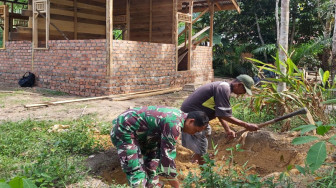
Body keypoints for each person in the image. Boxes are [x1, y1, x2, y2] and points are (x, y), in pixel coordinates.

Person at [110, 106, 209, 188]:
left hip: (145, 132)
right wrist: (176, 186)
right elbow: (168, 162)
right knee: (134, 167)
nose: (194, 133)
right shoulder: (173, 124)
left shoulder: (180, 116)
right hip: (124, 128)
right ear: (191, 121)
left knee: (154, 159)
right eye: (195, 130)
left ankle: (152, 185)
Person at [181, 74, 260, 165]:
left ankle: (197, 157)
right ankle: (203, 165)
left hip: (194, 113)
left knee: (205, 131)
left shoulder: (223, 87)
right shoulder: (223, 88)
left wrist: (227, 129)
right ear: (239, 84)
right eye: (244, 90)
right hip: (192, 116)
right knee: (202, 132)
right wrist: (246, 125)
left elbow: (219, 113)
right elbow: (224, 115)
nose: (244, 93)